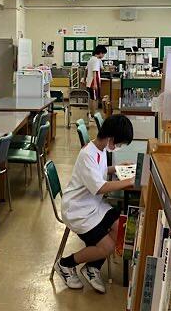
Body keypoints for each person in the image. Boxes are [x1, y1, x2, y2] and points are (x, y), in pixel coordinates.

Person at [55, 114, 134, 293]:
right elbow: (100, 187)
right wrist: (128, 181)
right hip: (78, 210)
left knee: (120, 229)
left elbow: (99, 172)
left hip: (93, 205)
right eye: (120, 144)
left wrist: (117, 168)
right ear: (111, 138)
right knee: (107, 247)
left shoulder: (100, 149)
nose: (119, 147)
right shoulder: (87, 154)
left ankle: (92, 267)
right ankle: (65, 264)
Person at [84, 45, 107, 121]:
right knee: (94, 99)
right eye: (103, 54)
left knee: (91, 98)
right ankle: (93, 116)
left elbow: (86, 70)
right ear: (100, 53)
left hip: (89, 82)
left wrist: (84, 79)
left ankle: (91, 114)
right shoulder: (96, 60)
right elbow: (95, 72)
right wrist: (95, 84)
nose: (103, 56)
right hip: (93, 82)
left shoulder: (91, 59)